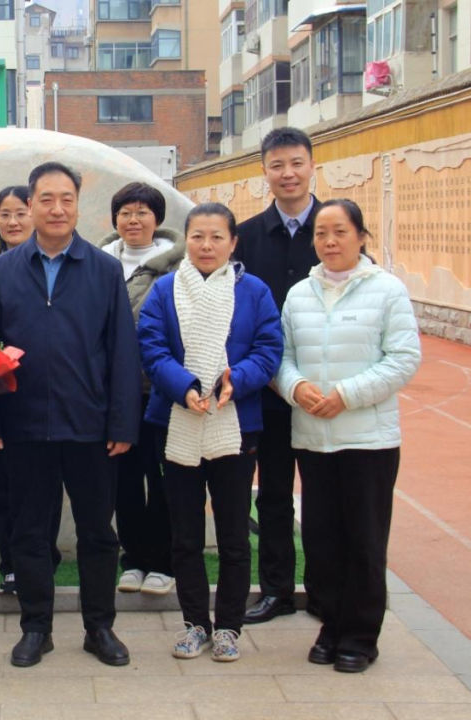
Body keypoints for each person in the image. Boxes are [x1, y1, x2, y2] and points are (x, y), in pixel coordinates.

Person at [0, 162, 141, 669]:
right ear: (30, 205)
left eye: (66, 198)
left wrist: (122, 423)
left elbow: (122, 351)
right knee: (29, 533)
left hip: (91, 426)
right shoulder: (5, 270)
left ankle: (99, 628)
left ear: (77, 205)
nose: (56, 208)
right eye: (46, 199)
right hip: (24, 426)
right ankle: (36, 629)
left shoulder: (104, 269)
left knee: (98, 534)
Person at [276, 199, 421, 673]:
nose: (329, 241)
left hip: (368, 441)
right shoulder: (299, 294)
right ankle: (330, 627)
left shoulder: (387, 290)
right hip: (314, 439)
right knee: (321, 540)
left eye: (340, 231)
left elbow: (403, 359)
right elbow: (282, 356)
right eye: (321, 233)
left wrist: (347, 395)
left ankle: (360, 636)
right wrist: (296, 387)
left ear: (361, 236)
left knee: (364, 540)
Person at [138, 203, 282, 663]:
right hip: (176, 421)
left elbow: (268, 349)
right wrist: (184, 387)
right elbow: (151, 347)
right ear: (187, 240)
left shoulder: (254, 291)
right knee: (185, 534)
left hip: (235, 424)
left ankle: (229, 627)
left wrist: (236, 380)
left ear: (233, 243)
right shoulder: (165, 289)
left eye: (217, 236)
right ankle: (195, 624)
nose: (206, 245)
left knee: (234, 533)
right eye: (197, 236)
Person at [235, 127, 321, 625]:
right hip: (265, 392)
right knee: (271, 494)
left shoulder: (335, 227)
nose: (288, 174)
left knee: (324, 496)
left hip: (323, 393)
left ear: (312, 165)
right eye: (277, 165)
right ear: (263, 171)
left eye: (296, 163)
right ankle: (276, 590)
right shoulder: (245, 237)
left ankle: (326, 589)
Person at [0, 185, 62, 595]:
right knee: (3, 486)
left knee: (47, 487)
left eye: (19, 213)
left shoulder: (57, 267)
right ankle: (11, 565)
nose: (12, 221)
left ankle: (43, 562)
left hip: (44, 393)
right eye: (3, 214)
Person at [96, 181, 185, 597]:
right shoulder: (98, 263)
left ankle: (162, 562)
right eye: (125, 212)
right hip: (113, 394)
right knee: (124, 481)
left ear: (157, 219)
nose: (133, 220)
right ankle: (132, 560)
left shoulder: (177, 267)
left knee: (163, 478)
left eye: (142, 212)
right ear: (115, 218)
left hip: (159, 391)